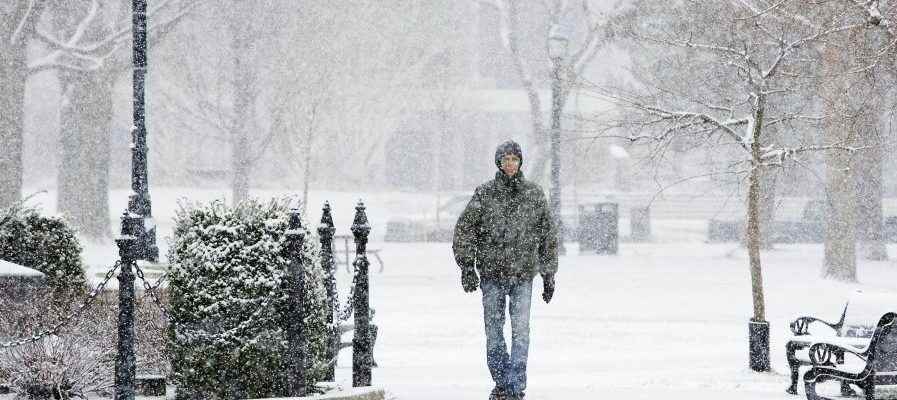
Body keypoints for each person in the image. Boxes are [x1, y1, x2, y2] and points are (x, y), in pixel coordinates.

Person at [452, 140, 558, 400]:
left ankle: (515, 386)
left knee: (521, 331)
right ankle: (501, 383)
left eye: (514, 159)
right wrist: (466, 265)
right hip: (492, 274)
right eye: (505, 159)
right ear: (498, 162)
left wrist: (548, 273)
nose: (510, 163)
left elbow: (547, 235)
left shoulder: (533, 195)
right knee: (494, 331)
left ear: (520, 162)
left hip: (523, 274)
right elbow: (465, 229)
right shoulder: (485, 193)